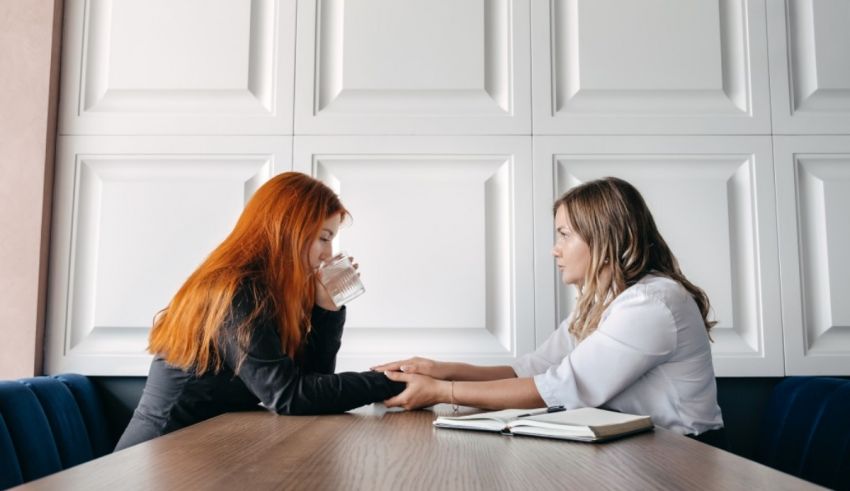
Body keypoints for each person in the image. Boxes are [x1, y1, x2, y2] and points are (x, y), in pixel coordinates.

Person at [373, 177, 724, 439]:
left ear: (605, 237)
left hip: (682, 454)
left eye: (565, 234)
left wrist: (441, 392)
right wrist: (441, 370)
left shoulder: (651, 304)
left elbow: (561, 388)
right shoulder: (604, 302)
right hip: (638, 447)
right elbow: (534, 368)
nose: (555, 249)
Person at [115, 172, 404, 451]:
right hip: (156, 459)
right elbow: (289, 396)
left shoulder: (268, 291)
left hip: (200, 454)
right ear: (289, 230)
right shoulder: (235, 290)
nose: (328, 254)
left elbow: (311, 384)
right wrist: (390, 381)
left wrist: (326, 309)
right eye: (324, 238)